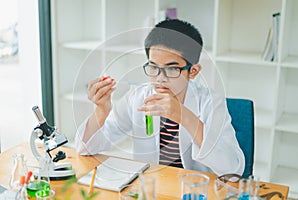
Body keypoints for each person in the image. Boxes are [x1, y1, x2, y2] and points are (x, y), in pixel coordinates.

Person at [75, 19, 245, 176]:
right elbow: (84, 148)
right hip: (152, 187)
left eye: (171, 69)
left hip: (195, 190)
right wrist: (101, 111)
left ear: (193, 71)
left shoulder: (211, 103)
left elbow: (233, 169)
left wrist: (183, 115)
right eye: (153, 67)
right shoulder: (138, 97)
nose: (160, 78)